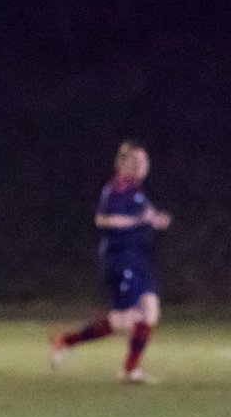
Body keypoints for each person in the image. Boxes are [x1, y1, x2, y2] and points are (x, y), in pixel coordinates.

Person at [51, 141, 170, 383]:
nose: (143, 165)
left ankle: (130, 371)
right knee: (124, 320)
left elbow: (144, 216)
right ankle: (65, 341)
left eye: (145, 161)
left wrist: (156, 220)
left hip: (139, 258)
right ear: (125, 164)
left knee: (150, 312)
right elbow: (103, 220)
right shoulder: (116, 189)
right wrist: (139, 221)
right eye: (138, 161)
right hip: (120, 258)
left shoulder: (137, 191)